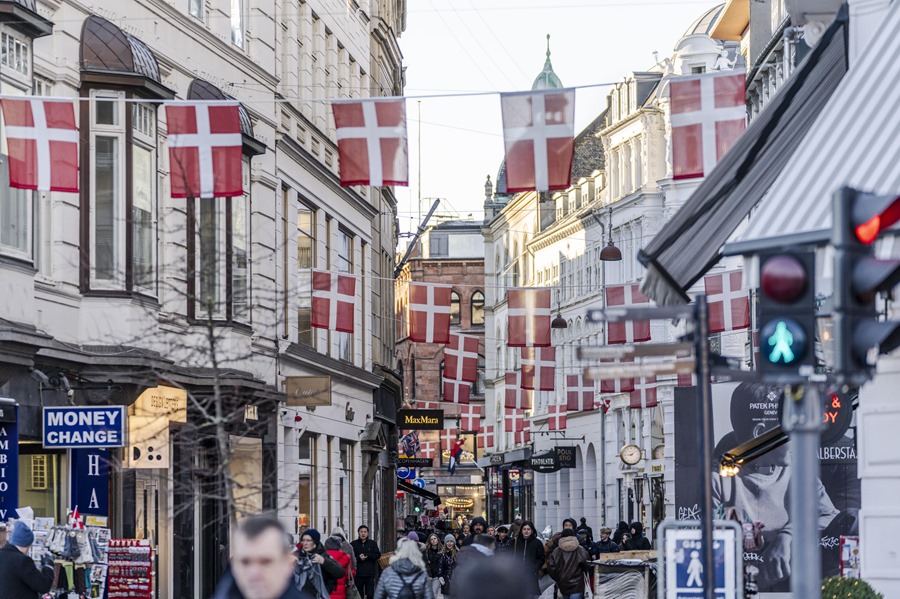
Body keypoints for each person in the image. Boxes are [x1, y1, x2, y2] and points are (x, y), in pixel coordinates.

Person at [0, 521, 55, 599]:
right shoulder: (22, 561)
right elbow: (43, 586)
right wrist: (48, 566)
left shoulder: (2, 555)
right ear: (28, 544)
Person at [298, 529, 346, 596]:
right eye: (303, 540)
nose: (305, 543)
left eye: (308, 540)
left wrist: (324, 561)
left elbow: (341, 572)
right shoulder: (298, 555)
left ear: (315, 542)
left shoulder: (323, 555)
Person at [547, 529, 590, 599]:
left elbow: (551, 568)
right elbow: (587, 565)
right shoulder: (580, 550)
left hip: (563, 585)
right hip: (577, 585)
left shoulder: (556, 551)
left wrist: (558, 579)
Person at [510, 520, 545, 599]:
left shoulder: (537, 543)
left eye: (528, 529)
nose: (526, 531)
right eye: (524, 529)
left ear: (532, 531)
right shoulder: (514, 542)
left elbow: (541, 558)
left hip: (531, 576)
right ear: (521, 530)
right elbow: (509, 555)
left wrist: (534, 569)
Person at [351, 525, 381, 599]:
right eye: (361, 532)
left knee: (370, 594)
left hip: (370, 574)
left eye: (365, 532)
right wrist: (358, 558)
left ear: (367, 533)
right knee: (359, 595)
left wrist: (367, 556)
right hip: (358, 574)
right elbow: (350, 557)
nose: (363, 534)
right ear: (358, 533)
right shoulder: (353, 544)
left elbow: (377, 555)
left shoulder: (372, 543)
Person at [422, 534, 443, 599]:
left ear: (437, 539)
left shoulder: (442, 550)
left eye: (435, 538)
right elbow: (425, 563)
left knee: (434, 592)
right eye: (431, 539)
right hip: (428, 575)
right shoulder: (426, 551)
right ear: (429, 541)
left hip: (437, 576)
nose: (433, 540)